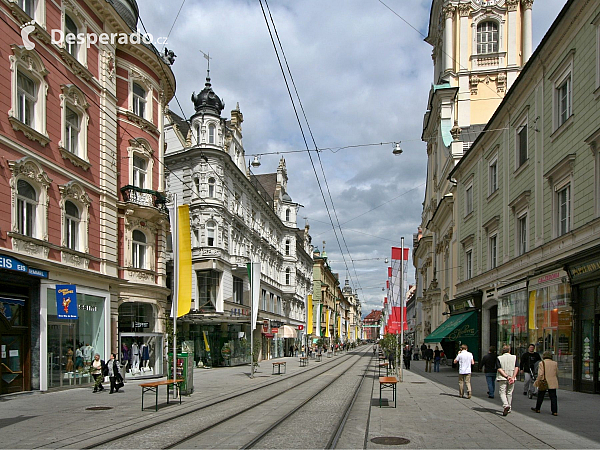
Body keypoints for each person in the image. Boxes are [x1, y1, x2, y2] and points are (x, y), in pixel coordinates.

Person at [531, 351, 559, 416]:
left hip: (544, 381)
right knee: (553, 397)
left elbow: (540, 374)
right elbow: (557, 372)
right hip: (552, 381)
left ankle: (538, 408)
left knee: (540, 395)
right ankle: (554, 411)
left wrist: (537, 381)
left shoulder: (542, 363)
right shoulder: (555, 363)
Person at [497, 344, 519, 416]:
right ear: (510, 350)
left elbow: (499, 369)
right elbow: (516, 367)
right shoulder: (514, 357)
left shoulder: (499, 358)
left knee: (502, 392)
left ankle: (506, 405)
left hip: (502, 377)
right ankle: (509, 407)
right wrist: (513, 377)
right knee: (509, 393)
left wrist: (507, 376)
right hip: (512, 377)